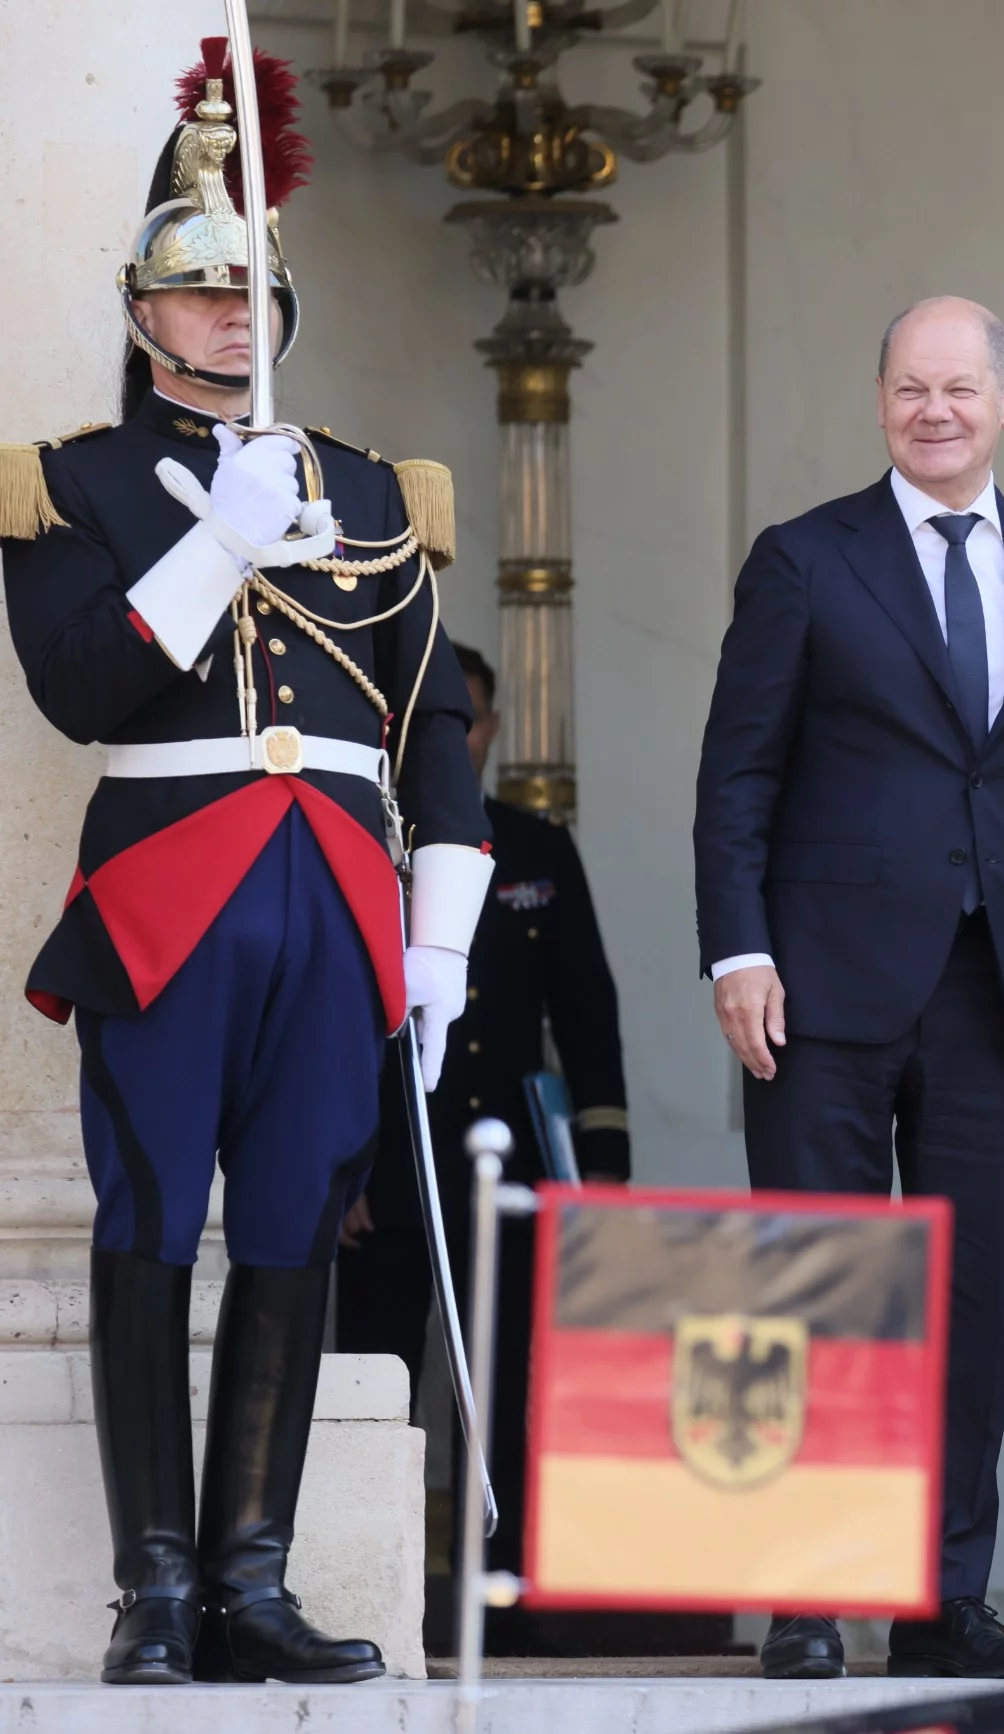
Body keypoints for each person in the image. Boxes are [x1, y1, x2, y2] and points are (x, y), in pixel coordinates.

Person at [0, 45, 488, 1686]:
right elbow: (79, 689)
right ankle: (154, 1585)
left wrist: (445, 941)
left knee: (293, 1222)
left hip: (340, 890)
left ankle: (251, 1578)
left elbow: (432, 736)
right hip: (173, 881)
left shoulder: (370, 486)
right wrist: (217, 542)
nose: (227, 320)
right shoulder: (72, 483)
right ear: (146, 314)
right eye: (195, 296)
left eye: (248, 296)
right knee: (150, 1220)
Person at [693, 296, 1004, 1681]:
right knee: (817, 1289)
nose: (932, 410)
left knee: (961, 1302)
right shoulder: (805, 559)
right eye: (908, 387)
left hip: (996, 987)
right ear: (880, 397)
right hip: (818, 987)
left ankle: (942, 1594)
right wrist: (737, 947)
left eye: (959, 388)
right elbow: (739, 776)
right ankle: (810, 1598)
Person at [333, 644, 629, 1638]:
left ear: (488, 733)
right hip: (384, 1166)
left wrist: (602, 1165)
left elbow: (586, 1011)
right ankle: (372, 1600)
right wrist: (341, 1170)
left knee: (504, 1386)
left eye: (468, 722)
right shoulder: (356, 840)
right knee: (378, 1378)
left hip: (504, 1167)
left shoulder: (534, 848)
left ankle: (499, 1604)